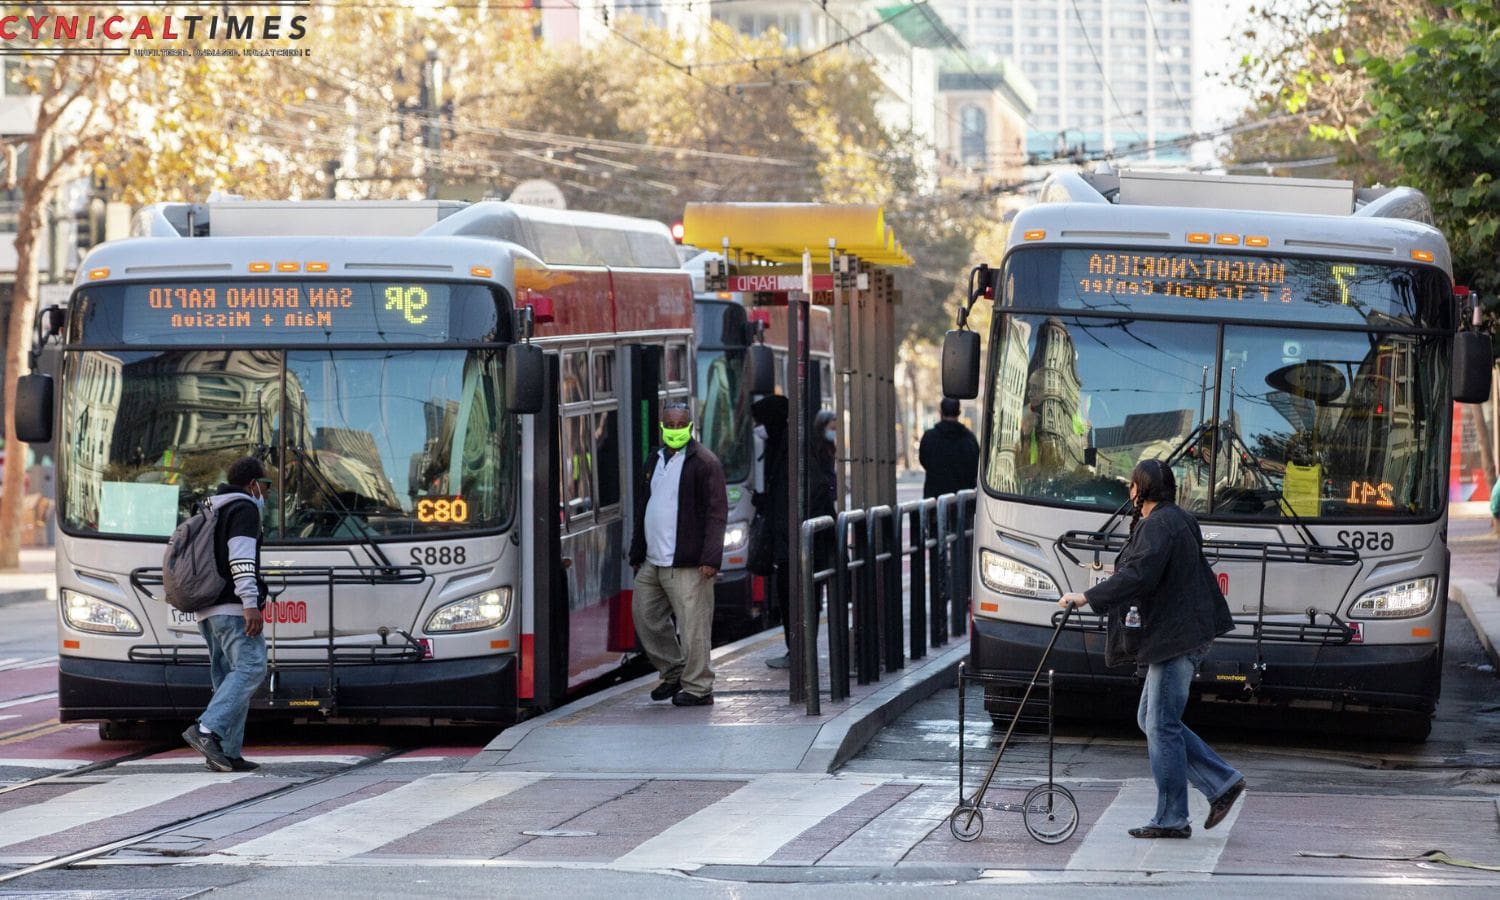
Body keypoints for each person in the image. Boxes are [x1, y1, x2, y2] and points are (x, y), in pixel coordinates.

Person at [1058, 459, 1246, 839]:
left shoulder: (1160, 524)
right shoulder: (1174, 518)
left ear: (1140, 490)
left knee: (1160, 723)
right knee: (1153, 720)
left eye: (1131, 485)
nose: (1128, 492)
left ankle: (1174, 815)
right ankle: (1221, 781)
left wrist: (1087, 597)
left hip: (1176, 639)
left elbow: (1138, 575)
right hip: (1178, 634)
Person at [629, 401, 728, 706]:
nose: (674, 430)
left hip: (688, 561)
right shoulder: (654, 460)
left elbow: (716, 513)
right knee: (645, 616)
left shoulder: (705, 463)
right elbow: (645, 506)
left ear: (690, 427)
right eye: (668, 425)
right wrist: (638, 550)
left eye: (679, 425)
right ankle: (674, 671)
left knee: (693, 625)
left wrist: (711, 558)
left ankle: (699, 688)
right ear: (662, 426)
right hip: (653, 560)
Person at [182, 456, 270, 773]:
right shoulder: (244, 508)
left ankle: (227, 753)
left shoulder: (211, 507)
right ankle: (206, 730)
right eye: (266, 485)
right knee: (252, 666)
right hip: (233, 606)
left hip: (207, 607)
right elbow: (241, 557)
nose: (267, 493)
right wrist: (250, 603)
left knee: (226, 677)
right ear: (252, 484)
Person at [918, 397, 979, 499]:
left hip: (935, 503)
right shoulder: (969, 439)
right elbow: (975, 466)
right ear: (959, 412)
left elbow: (924, 460)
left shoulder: (929, 437)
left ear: (941, 412)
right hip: (962, 504)